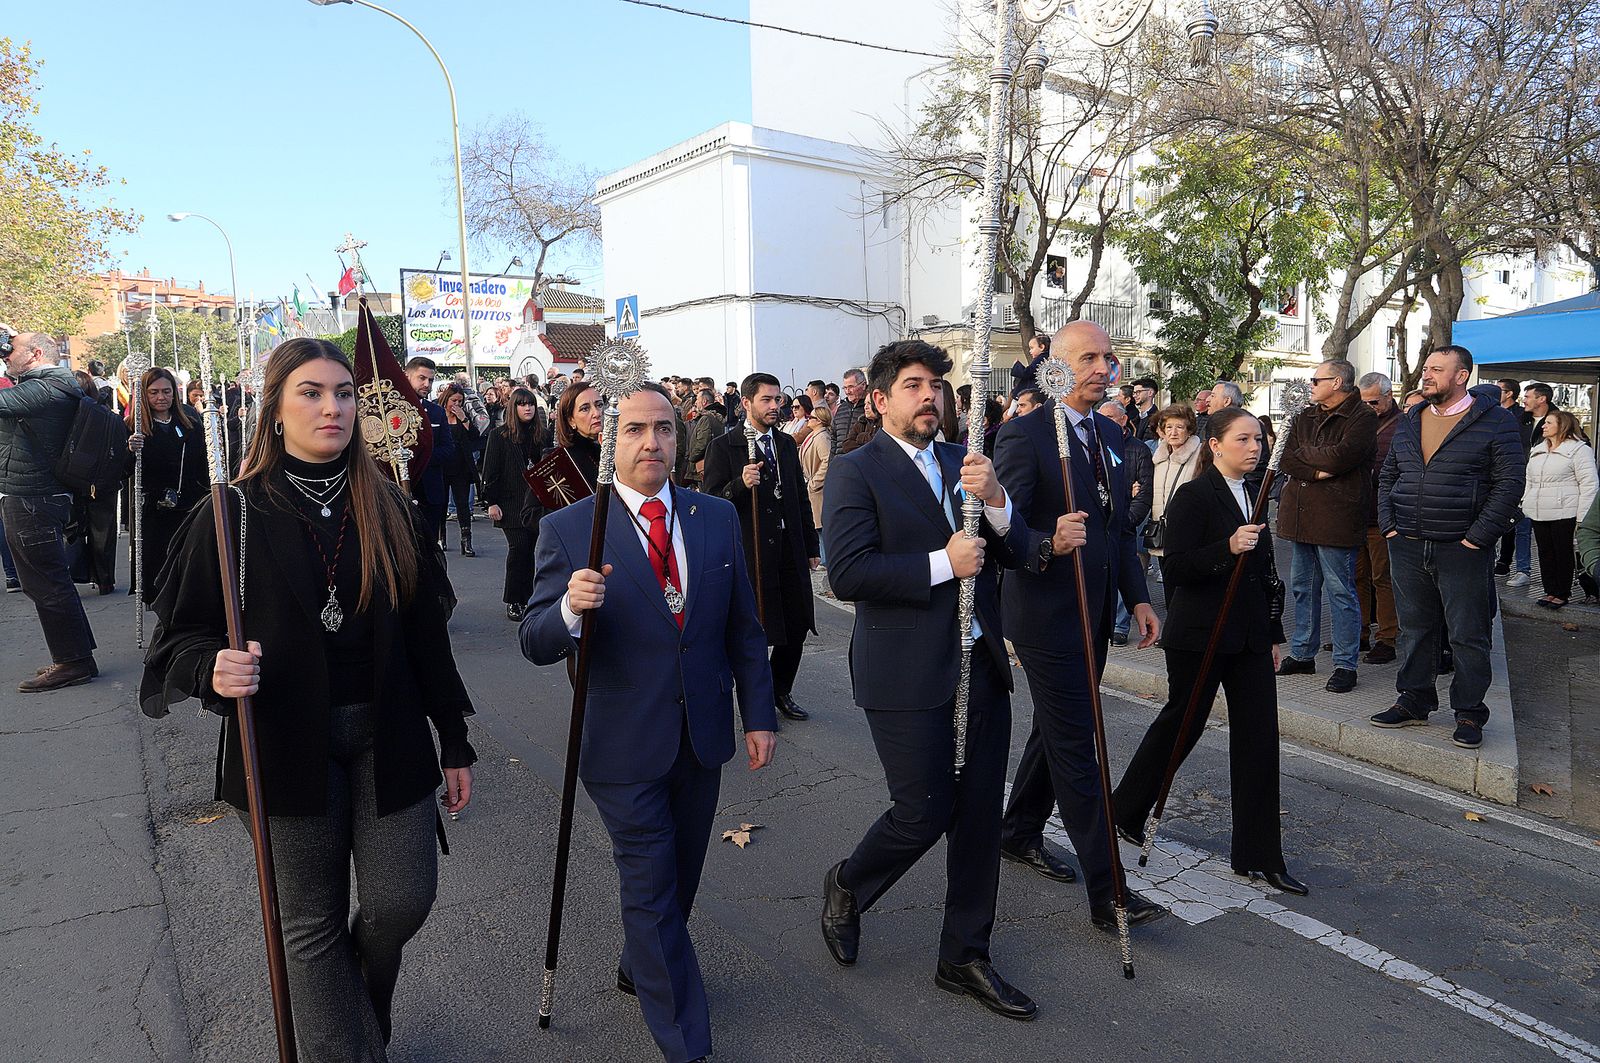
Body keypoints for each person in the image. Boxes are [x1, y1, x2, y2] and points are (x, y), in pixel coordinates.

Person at [140, 337, 476, 1060]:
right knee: (310, 923)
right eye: (312, 393)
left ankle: (356, 1001)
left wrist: (453, 737)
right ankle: (348, 1045)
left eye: (344, 393)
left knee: (400, 901)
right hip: (282, 739)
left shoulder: (388, 503)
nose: (333, 407)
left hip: (387, 729)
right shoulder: (231, 513)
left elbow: (427, 637)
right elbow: (177, 639)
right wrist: (213, 668)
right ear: (275, 409)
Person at [520, 383, 774, 1063]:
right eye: (634, 429)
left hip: (702, 735)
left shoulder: (714, 516)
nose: (651, 442)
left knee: (680, 877)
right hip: (622, 743)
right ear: (611, 440)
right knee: (653, 885)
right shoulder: (573, 527)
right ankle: (686, 1041)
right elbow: (535, 639)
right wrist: (570, 609)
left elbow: (743, 627)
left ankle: (642, 961)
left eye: (663, 428)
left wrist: (758, 714)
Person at [820, 339, 1038, 1020]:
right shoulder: (856, 471)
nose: (929, 397)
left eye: (936, 387)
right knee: (923, 811)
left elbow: (1019, 550)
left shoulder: (961, 463)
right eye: (914, 386)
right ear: (879, 399)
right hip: (904, 671)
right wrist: (944, 563)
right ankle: (849, 883)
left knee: (978, 820)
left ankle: (964, 955)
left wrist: (996, 498)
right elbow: (848, 572)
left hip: (980, 667)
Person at [992, 321, 1164, 931]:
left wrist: (1138, 598)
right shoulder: (1024, 434)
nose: (1102, 368)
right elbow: (1002, 526)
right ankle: (1109, 892)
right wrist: (1047, 542)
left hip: (1094, 610)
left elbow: (1118, 529)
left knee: (1058, 725)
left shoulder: (1109, 433)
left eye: (1108, 358)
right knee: (1078, 746)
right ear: (1056, 367)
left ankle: (1018, 829)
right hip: (1045, 614)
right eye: (1088, 357)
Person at [1112, 407, 1307, 895]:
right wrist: (1227, 547)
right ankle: (1125, 809)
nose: (1255, 447)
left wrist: (1274, 632)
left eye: (1258, 439)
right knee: (1182, 725)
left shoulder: (1258, 492)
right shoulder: (1194, 495)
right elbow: (1176, 569)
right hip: (1201, 633)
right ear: (1215, 445)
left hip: (1250, 637)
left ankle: (1260, 855)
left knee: (1259, 739)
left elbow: (1266, 575)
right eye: (1243, 439)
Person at [1374, 345, 1524, 749]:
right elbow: (1389, 475)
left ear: (1462, 376)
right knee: (1414, 630)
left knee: (1467, 634)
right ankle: (1414, 700)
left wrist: (1477, 537)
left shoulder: (1496, 421)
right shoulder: (1412, 418)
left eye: (1437, 369)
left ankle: (1470, 712)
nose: (1427, 375)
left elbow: (1509, 484)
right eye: (1426, 368)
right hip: (1407, 542)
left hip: (1462, 547)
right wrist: (1389, 525)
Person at [703, 373, 821, 723]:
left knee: (797, 623)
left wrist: (811, 544)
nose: (774, 406)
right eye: (766, 400)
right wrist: (740, 483)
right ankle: (754, 701)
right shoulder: (724, 447)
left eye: (777, 399)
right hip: (751, 549)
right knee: (754, 628)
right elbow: (712, 500)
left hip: (789, 547)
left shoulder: (785, 444)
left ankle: (779, 689)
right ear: (746, 403)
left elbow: (799, 496)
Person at [0, 332, 100, 690]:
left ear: (36, 353)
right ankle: (77, 656)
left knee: (47, 583)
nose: (6, 355)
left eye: (11, 350)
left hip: (33, 498)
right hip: (36, 496)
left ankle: (72, 662)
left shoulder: (47, 388)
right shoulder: (50, 385)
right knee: (49, 581)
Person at [1274, 359, 1376, 695]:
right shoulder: (1304, 414)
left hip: (1337, 518)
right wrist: (1317, 469)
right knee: (1302, 587)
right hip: (1301, 514)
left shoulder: (1362, 416)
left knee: (1340, 592)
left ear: (1337, 382)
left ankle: (1345, 664)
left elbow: (1341, 457)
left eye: (1317, 380)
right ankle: (1303, 653)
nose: (1311, 385)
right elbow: (1286, 458)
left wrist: (1309, 456)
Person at [124, 367, 208, 600]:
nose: (161, 397)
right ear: (144, 394)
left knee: (186, 562)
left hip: (188, 503)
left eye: (166, 391)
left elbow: (202, 463)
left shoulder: (189, 423)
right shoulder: (133, 427)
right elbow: (122, 469)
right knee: (158, 562)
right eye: (154, 392)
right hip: (154, 508)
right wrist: (130, 450)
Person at [1523, 410, 1598, 608]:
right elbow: (1529, 480)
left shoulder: (1579, 450)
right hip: (1539, 510)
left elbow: (1589, 484)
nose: (1543, 426)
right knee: (1544, 552)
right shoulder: (1538, 449)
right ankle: (1550, 590)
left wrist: (1583, 517)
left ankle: (1562, 593)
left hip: (1565, 511)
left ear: (1562, 425)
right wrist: (1525, 501)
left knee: (1563, 552)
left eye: (1549, 423)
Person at [481, 387, 545, 620]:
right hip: (509, 503)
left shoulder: (542, 435)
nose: (528, 408)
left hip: (535, 504)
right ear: (513, 407)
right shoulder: (499, 436)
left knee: (529, 551)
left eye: (531, 404)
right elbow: (490, 470)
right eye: (522, 404)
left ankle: (528, 597)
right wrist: (491, 502)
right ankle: (514, 600)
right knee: (519, 549)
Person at [1355, 372, 1402, 664]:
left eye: (1373, 402)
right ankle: (1359, 632)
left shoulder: (1403, 425)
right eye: (1363, 402)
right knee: (1357, 576)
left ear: (1388, 396)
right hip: (1355, 515)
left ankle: (1387, 638)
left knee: (1382, 578)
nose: (1369, 407)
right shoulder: (1358, 422)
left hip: (1383, 517)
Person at [1100, 399, 1154, 646]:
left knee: (1128, 566)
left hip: (1128, 520)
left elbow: (1144, 489)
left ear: (1123, 420)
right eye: (1101, 417)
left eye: (1110, 418)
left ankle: (1120, 624)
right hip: (1103, 522)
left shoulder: (1138, 449)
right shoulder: (1094, 446)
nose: (1104, 423)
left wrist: (1130, 518)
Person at [402, 356, 456, 546]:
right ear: (406, 376)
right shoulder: (390, 412)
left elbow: (448, 449)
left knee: (429, 547)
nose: (427, 384)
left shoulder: (436, 412)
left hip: (431, 493)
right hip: (398, 493)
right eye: (422, 378)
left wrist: (421, 457)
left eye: (431, 380)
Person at [1147, 403, 1203, 582]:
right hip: (1163, 532)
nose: (1173, 432)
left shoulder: (1201, 455)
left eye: (1179, 427)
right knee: (1168, 584)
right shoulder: (1158, 457)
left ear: (1189, 430)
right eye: (1169, 427)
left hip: (1189, 532)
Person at [437, 384, 482, 556]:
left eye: (460, 401)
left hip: (461, 467)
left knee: (462, 504)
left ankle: (466, 540)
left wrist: (463, 419)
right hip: (442, 466)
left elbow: (475, 436)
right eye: (453, 400)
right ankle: (441, 537)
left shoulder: (463, 416)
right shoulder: (438, 414)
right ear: (446, 399)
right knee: (441, 504)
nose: (456, 404)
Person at [801, 404, 832, 564]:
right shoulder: (813, 435)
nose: (808, 419)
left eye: (811, 417)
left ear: (819, 420)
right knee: (816, 527)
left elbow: (827, 461)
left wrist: (814, 482)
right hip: (812, 486)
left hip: (818, 489)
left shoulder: (822, 437)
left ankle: (825, 563)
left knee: (820, 528)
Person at [832, 368, 868, 456]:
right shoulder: (841, 409)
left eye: (851, 387)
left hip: (860, 459)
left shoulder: (871, 408)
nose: (847, 392)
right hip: (839, 460)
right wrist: (832, 461)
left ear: (863, 385)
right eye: (845, 388)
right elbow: (834, 439)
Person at [1010, 333, 1051, 399]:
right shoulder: (1045, 357)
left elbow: (1027, 372)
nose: (1030, 351)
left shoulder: (1042, 358)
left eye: (1032, 348)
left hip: (1033, 393)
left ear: (1041, 347)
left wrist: (1017, 365)